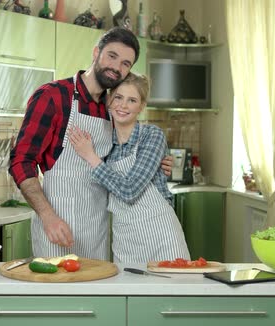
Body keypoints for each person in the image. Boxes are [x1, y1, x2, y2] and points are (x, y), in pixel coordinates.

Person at [9, 27, 170, 260]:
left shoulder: (113, 107)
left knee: (97, 294)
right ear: (96, 53)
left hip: (98, 228)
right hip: (57, 226)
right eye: (112, 56)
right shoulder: (54, 96)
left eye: (126, 63)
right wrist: (47, 216)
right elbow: (21, 161)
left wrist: (159, 162)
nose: (117, 67)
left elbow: (123, 155)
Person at [68, 73, 190, 263]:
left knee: (172, 290)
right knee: (127, 291)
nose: (123, 105)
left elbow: (129, 190)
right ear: (109, 100)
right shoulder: (104, 144)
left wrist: (90, 156)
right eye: (118, 97)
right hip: (125, 239)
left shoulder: (151, 135)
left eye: (132, 100)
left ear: (141, 106)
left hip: (161, 235)